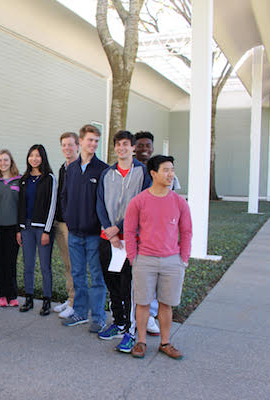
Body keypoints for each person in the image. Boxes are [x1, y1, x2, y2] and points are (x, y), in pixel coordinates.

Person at [125, 155, 192, 359]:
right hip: (144, 260)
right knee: (142, 303)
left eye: (172, 169)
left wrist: (184, 259)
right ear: (153, 173)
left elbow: (186, 231)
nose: (170, 174)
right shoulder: (139, 201)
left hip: (172, 261)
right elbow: (129, 231)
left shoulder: (179, 202)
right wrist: (133, 257)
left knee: (166, 303)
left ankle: (165, 342)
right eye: (165, 170)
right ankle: (141, 342)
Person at [95, 131, 151, 353]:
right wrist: (110, 230)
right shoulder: (107, 173)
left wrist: (118, 227)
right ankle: (118, 323)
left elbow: (142, 204)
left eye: (126, 144)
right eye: (118, 145)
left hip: (131, 240)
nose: (122, 148)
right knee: (112, 282)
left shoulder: (142, 172)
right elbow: (99, 202)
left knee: (128, 286)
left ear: (133, 147)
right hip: (107, 238)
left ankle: (131, 330)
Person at [61, 124, 109, 333]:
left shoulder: (103, 170)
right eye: (90, 140)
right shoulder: (71, 169)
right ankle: (79, 312)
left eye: (96, 141)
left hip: (94, 235)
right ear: (80, 142)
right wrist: (69, 219)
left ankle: (98, 317)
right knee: (78, 274)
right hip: (74, 232)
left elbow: (105, 201)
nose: (93, 144)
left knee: (97, 277)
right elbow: (64, 197)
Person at [17, 145, 57, 315]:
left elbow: (52, 205)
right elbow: (20, 205)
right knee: (28, 265)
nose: (34, 159)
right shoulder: (24, 179)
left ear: (43, 158)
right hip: (26, 228)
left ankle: (47, 300)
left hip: (42, 229)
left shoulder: (49, 178)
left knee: (45, 266)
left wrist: (47, 231)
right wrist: (19, 228)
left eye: (38, 156)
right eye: (31, 155)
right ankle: (29, 298)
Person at [133, 131, 164, 337]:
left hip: (153, 234)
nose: (145, 149)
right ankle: (130, 315)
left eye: (148, 145)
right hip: (131, 232)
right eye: (141, 145)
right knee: (131, 277)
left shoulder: (160, 169)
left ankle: (150, 317)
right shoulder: (132, 168)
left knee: (151, 277)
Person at [53, 132, 79, 318]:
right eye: (64, 145)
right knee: (68, 265)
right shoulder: (63, 168)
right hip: (59, 223)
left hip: (73, 225)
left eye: (70, 145)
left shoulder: (80, 168)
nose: (67, 148)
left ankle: (76, 303)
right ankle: (71, 298)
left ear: (78, 146)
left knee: (75, 264)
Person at [0, 149, 21, 308]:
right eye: (0, 160)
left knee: (11, 262)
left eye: (6, 160)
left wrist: (19, 230)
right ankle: (1, 294)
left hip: (13, 228)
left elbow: (22, 206)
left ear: (11, 162)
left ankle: (12, 294)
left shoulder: (19, 181)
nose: (3, 163)